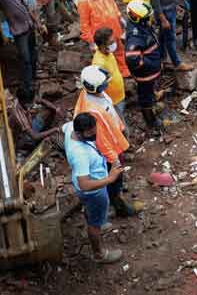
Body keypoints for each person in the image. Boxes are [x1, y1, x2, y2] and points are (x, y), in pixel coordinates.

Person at [72, 66, 136, 218]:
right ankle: (118, 206)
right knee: (114, 179)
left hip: (113, 141)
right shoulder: (92, 111)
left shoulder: (89, 94)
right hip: (109, 151)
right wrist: (114, 160)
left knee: (114, 177)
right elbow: (101, 140)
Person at [62, 113, 124, 264]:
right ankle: (99, 254)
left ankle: (98, 220)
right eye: (90, 134)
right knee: (94, 224)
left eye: (94, 130)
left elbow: (62, 128)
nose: (94, 135)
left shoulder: (70, 126)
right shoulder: (80, 154)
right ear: (78, 133)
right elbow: (84, 184)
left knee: (94, 212)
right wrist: (110, 178)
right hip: (93, 191)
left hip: (90, 189)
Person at [75, 0, 130, 77]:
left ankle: (124, 72)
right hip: (101, 36)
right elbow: (84, 25)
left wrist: (120, 17)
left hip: (115, 29)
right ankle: (109, 77)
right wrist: (91, 42)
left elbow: (113, 5)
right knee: (106, 58)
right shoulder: (84, 1)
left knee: (120, 51)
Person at [0, 0, 39, 104]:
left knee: (33, 53)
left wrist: (37, 23)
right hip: (19, 32)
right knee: (24, 58)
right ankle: (27, 83)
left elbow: (26, 8)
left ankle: (33, 76)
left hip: (29, 27)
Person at [123, 0, 163, 132]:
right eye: (147, 17)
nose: (149, 19)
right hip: (146, 76)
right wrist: (151, 65)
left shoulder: (141, 25)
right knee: (145, 99)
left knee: (149, 93)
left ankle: (153, 103)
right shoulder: (135, 37)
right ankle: (151, 123)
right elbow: (133, 60)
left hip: (150, 73)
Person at [87, 26, 126, 124]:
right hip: (113, 100)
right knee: (119, 123)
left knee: (121, 116)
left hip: (119, 95)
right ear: (103, 45)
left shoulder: (108, 52)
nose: (114, 43)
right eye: (111, 42)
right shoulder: (99, 64)